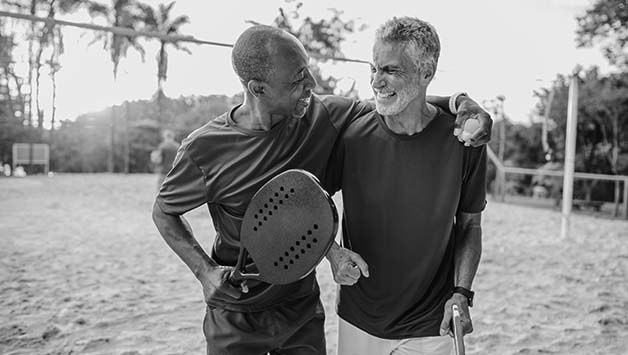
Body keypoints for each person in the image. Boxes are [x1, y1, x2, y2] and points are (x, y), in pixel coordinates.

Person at [152, 24, 491, 355]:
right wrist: (204, 271)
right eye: (298, 80)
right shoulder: (205, 148)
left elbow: (397, 102)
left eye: (307, 72)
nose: (311, 85)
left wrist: (459, 102)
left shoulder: (325, 115)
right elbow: (164, 211)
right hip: (236, 313)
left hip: (300, 308)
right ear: (258, 89)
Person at [325, 17, 487, 355]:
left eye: (391, 70)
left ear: (426, 74)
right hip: (360, 318)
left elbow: (470, 224)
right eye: (373, 68)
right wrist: (332, 253)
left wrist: (462, 292)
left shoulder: (464, 141)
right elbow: (313, 201)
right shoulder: (351, 133)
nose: (376, 81)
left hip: (434, 323)